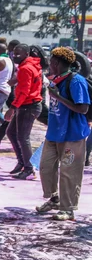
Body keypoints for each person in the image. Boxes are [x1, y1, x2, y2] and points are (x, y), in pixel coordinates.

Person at [36, 48, 90, 221]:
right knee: (45, 167)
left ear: (57, 63)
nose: (49, 65)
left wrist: (58, 98)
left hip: (72, 135)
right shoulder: (55, 81)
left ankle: (68, 209)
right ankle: (55, 199)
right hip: (54, 133)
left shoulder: (76, 82)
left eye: (51, 62)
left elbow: (83, 108)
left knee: (69, 172)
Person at [5, 44, 44, 180]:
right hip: (28, 105)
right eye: (14, 53)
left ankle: (29, 168)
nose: (15, 56)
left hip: (29, 106)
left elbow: (24, 92)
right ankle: (22, 162)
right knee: (10, 132)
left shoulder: (26, 68)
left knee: (23, 137)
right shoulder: (29, 65)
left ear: (26, 54)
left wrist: (12, 108)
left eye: (18, 54)